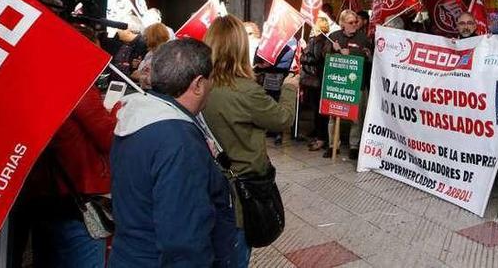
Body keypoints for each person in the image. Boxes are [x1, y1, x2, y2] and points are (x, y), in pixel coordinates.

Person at [110, 39, 236, 267]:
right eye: (211, 80)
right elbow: (184, 236)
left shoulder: (138, 116)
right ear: (198, 83)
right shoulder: (178, 140)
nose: (212, 87)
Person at [201, 16, 295, 268]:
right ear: (240, 48)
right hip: (240, 193)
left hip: (206, 187)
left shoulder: (198, 85)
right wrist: (290, 89)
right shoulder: (245, 90)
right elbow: (282, 119)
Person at [27, 25, 117, 268]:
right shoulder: (78, 87)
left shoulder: (39, 83)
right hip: (78, 200)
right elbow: (108, 136)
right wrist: (119, 110)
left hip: (45, 196)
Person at [328, 9, 373, 160]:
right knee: (334, 116)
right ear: (342, 24)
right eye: (351, 22)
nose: (355, 25)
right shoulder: (334, 37)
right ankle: (333, 145)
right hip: (337, 83)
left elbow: (367, 56)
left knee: (355, 116)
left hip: (356, 84)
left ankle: (354, 146)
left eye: (356, 22)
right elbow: (323, 55)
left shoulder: (363, 38)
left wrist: (351, 54)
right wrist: (331, 49)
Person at [300, 16, 334, 151]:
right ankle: (321, 135)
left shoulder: (317, 41)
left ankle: (321, 138)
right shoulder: (327, 41)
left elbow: (311, 57)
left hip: (315, 79)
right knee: (320, 110)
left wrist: (305, 55)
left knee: (318, 110)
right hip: (321, 79)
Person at [132, 22, 171, 89]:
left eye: (146, 36)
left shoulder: (167, 55)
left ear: (153, 37)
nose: (144, 39)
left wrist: (141, 76)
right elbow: (136, 73)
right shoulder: (150, 53)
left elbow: (162, 81)